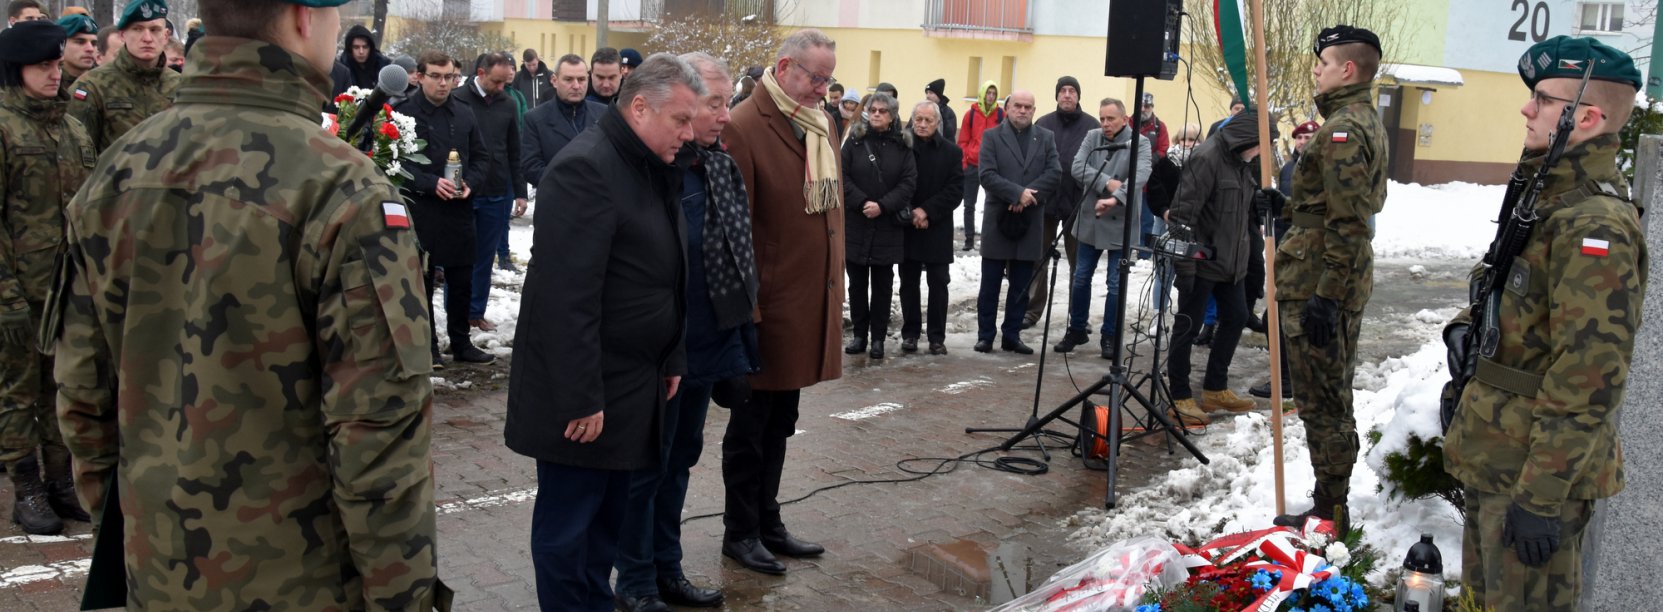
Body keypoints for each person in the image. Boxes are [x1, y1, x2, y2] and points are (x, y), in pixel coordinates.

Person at [49, 1, 446, 607]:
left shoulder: (118, 168)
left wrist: (142, 531)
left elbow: (82, 394)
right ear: (301, 18)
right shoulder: (343, 188)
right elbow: (377, 439)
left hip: (158, 570)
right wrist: (404, 598)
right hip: (302, 581)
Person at [1441, 35, 1644, 610]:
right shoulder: (1547, 197)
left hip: (1532, 474)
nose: (1527, 109)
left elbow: (1590, 377)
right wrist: (1466, 327)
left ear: (1586, 117)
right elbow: (1505, 285)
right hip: (1500, 454)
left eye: (1543, 99)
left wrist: (1543, 494)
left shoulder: (1594, 226)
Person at [504, 52, 702, 612]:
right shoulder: (586, 168)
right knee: (571, 530)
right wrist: (581, 397)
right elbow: (565, 299)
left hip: (634, 381)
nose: (690, 135)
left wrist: (672, 355)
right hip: (586, 393)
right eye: (680, 120)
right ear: (640, 107)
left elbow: (669, 275)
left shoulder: (647, 164)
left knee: (608, 528)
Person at [612, 51, 754, 612]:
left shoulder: (717, 166)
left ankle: (667, 569)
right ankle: (636, 581)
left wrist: (738, 349)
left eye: (725, 102)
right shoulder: (655, 171)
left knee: (679, 463)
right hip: (655, 355)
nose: (724, 115)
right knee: (645, 469)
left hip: (703, 348)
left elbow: (738, 265)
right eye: (713, 104)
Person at [720, 27, 842, 576]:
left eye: (828, 79)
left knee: (781, 422)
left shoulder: (819, 122)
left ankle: (768, 520)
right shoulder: (747, 124)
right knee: (749, 427)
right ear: (785, 66)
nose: (823, 88)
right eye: (816, 78)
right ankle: (739, 531)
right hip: (765, 309)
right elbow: (734, 230)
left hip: (804, 304)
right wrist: (747, 311)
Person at [1271, 25, 1389, 532]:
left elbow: (1349, 221)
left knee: (1323, 402)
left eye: (1322, 63)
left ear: (1348, 69)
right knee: (1326, 396)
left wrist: (1325, 294)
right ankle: (1329, 503)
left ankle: (1329, 513)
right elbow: (1328, 206)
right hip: (1323, 273)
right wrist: (1285, 205)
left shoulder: (1343, 129)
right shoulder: (1357, 120)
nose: (1315, 71)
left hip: (1322, 281)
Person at [0, 19, 94, 536]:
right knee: (18, 392)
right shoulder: (3, 126)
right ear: (17, 70)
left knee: (63, 389)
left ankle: (61, 482)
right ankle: (27, 486)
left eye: (57, 64)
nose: (55, 74)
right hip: (18, 291)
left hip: (68, 290)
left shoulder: (73, 129)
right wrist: (5, 296)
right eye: (43, 66)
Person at [1163, 109, 1270, 427]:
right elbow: (1182, 215)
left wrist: (1262, 203)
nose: (1262, 152)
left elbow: (1240, 210)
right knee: (1188, 326)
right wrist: (1186, 268)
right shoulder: (1207, 158)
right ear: (1248, 138)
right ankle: (1179, 396)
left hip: (1231, 263)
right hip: (1202, 262)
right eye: (1261, 144)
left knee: (1237, 316)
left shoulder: (1243, 162)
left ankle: (1215, 387)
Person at [394, 51, 495, 368]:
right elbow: (395, 165)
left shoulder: (464, 112)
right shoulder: (403, 112)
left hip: (459, 208)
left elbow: (481, 158)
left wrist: (471, 183)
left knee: (462, 279)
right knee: (422, 280)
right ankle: (429, 346)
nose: (442, 83)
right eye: (435, 76)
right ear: (420, 76)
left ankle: (460, 341)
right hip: (422, 209)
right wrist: (428, 183)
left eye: (448, 77)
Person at [1054, 97, 1150, 360]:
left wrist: (1115, 199)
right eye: (1102, 118)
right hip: (1091, 218)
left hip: (1121, 221)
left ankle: (1110, 335)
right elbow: (1077, 167)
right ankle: (1077, 329)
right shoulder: (1093, 137)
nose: (1105, 124)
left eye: (1111, 119)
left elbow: (1140, 176)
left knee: (1115, 284)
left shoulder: (1139, 143)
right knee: (1081, 276)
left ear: (1125, 119)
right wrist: (1108, 184)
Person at [973, 90, 1060, 355]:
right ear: (1007, 108)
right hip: (998, 219)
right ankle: (985, 335)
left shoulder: (1045, 138)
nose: (1022, 111)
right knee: (990, 284)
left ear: (1034, 111)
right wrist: (1015, 193)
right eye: (1017, 106)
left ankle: (1012, 334)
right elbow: (986, 174)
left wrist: (1026, 196)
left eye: (1028, 107)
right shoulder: (991, 137)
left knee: (1022, 285)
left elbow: (1055, 173)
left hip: (1030, 219)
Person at [452, 51, 526, 333]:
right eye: (496, 82)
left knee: (484, 259)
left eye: (504, 83)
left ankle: (475, 312)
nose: (501, 87)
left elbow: (514, 149)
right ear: (481, 74)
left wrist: (519, 191)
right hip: (464, 190)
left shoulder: (507, 103)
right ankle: (456, 315)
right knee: (460, 260)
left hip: (496, 190)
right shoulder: (458, 99)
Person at [841, 91, 917, 361]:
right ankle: (859, 335)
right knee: (857, 285)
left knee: (883, 287)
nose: (876, 114)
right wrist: (863, 203)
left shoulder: (903, 146)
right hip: (857, 223)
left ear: (892, 116)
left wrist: (882, 206)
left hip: (887, 226)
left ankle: (878, 339)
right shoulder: (855, 142)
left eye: (882, 111)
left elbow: (908, 183)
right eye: (872, 110)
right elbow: (843, 175)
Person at [1249, 119, 1319, 400]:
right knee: (1276, 316)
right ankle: (1289, 375)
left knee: (1279, 316)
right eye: (1299, 138)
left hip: (1307, 253)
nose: (1302, 142)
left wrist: (1285, 212)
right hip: (1287, 247)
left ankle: (1288, 378)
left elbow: (1315, 215)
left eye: (1308, 137)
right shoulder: (1291, 167)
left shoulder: (1318, 169)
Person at [67, 0, 180, 155]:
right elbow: (77, 155)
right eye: (137, 29)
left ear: (166, 35)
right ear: (122, 35)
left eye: (154, 30)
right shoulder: (93, 86)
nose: (147, 38)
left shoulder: (183, 86)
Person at [1024, 76, 1091, 329]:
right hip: (1046, 203)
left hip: (1078, 203)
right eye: (1062, 90)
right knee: (1037, 259)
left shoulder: (1092, 126)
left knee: (1079, 264)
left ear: (1078, 96)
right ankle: (1031, 311)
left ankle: (1078, 316)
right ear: (1056, 96)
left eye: (1072, 90)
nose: (1067, 95)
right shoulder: (1042, 124)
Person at [899, 100, 962, 355]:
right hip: (907, 223)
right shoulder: (901, 147)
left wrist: (926, 211)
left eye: (928, 120)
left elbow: (955, 190)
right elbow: (896, 182)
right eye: (919, 119)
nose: (923, 124)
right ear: (912, 120)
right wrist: (912, 211)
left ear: (938, 123)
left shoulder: (951, 152)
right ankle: (911, 333)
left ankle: (937, 337)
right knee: (908, 281)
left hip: (937, 226)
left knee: (938, 282)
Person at [523, 53, 605, 185]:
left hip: (598, 201)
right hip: (556, 200)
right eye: (568, 79)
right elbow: (531, 167)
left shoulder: (603, 114)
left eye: (581, 79)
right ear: (554, 81)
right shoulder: (535, 118)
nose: (576, 86)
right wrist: (570, 184)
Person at [957, 80, 1002, 251]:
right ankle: (969, 239)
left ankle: (990, 237)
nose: (991, 97)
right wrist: (964, 161)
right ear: (983, 94)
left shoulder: (1000, 114)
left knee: (993, 203)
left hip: (992, 166)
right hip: (972, 164)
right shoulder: (971, 115)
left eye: (994, 94)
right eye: (988, 93)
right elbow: (963, 140)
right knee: (969, 204)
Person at [335, 23, 388, 92]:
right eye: (356, 47)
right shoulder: (341, 70)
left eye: (365, 47)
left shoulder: (383, 67)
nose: (361, 51)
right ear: (350, 49)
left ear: (370, 48)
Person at [57, 13, 98, 93]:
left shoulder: (105, 82)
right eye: (80, 42)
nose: (90, 49)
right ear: (60, 44)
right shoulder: (48, 83)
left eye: (93, 43)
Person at [923, 78, 956, 143]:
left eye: (931, 93)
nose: (927, 96)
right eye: (926, 93)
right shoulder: (920, 110)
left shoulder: (948, 113)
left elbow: (949, 137)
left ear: (939, 96)